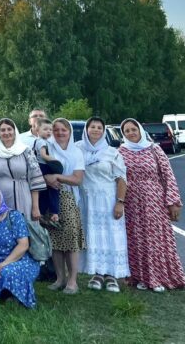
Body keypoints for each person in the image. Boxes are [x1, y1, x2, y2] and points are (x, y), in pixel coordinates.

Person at [118, 118, 185, 292]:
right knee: (135, 239)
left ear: (140, 130)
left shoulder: (154, 149)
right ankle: (139, 277)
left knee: (155, 239)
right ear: (123, 134)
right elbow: (116, 177)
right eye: (127, 131)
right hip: (131, 203)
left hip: (154, 202)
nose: (131, 133)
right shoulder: (121, 152)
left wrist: (173, 201)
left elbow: (168, 175)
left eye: (134, 129)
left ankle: (159, 277)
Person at [76, 117, 129, 292]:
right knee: (93, 236)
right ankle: (97, 274)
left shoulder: (112, 152)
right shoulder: (78, 148)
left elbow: (121, 179)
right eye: (92, 126)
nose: (96, 130)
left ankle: (112, 275)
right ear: (86, 129)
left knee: (111, 236)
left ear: (104, 131)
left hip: (108, 199)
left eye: (99, 127)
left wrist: (120, 202)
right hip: (87, 200)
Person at [45, 118, 85, 294]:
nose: (60, 133)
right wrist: (46, 178)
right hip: (50, 197)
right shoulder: (47, 148)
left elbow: (77, 179)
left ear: (70, 132)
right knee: (55, 240)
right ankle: (60, 278)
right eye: (56, 129)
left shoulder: (76, 152)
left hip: (67, 197)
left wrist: (57, 177)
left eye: (64, 130)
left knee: (70, 240)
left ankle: (72, 281)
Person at [0, 118, 45, 221]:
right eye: (2, 130)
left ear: (15, 131)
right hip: (1, 197)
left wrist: (35, 207)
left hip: (23, 195)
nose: (6, 132)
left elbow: (35, 178)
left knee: (24, 226)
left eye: (9, 129)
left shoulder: (25, 150)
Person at [32, 118, 62, 226]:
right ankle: (54, 212)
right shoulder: (41, 142)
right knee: (54, 188)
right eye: (45, 129)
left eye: (50, 130)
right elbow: (44, 155)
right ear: (37, 130)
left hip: (40, 167)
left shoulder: (42, 141)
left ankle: (43, 213)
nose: (48, 132)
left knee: (43, 191)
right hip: (44, 166)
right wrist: (56, 161)